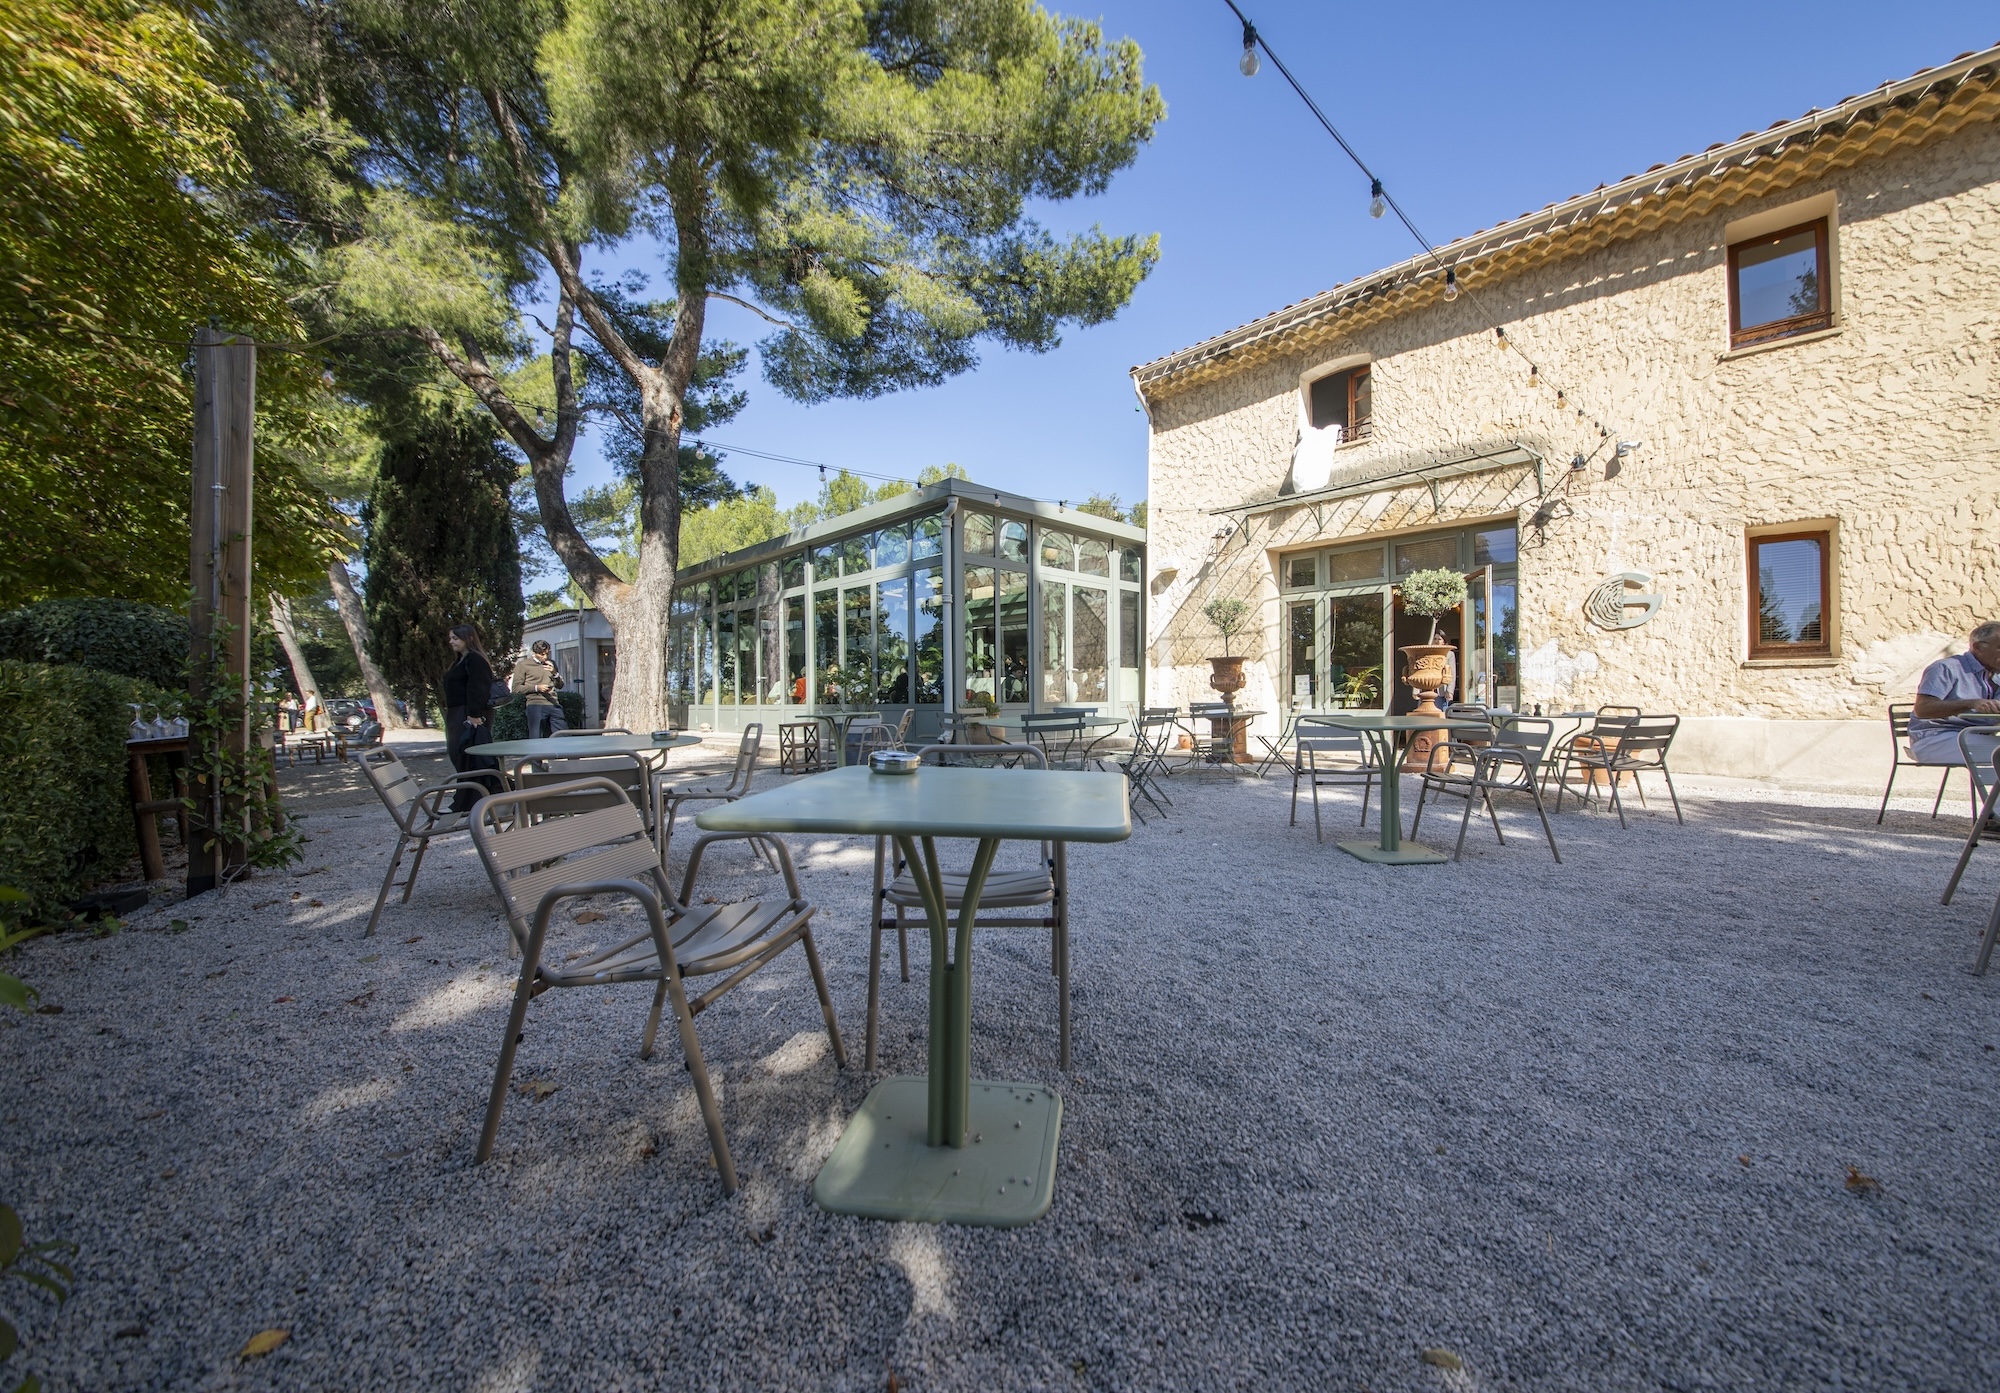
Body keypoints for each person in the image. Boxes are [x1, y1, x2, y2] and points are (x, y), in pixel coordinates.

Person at [1908, 621, 2000, 767]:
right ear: (1978, 647)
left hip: (1976, 736)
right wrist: (1971, 703)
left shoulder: (1997, 675)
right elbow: (1922, 709)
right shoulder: (1946, 668)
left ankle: (1992, 791)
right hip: (1936, 739)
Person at [443, 623, 502, 812]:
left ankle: (468, 801)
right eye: (451, 638)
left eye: (455, 638)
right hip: (458, 713)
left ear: (468, 638)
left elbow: (478, 687)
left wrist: (474, 715)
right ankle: (469, 799)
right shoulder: (462, 660)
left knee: (467, 756)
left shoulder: (474, 659)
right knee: (461, 756)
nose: (451, 641)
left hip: (467, 714)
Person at [512, 639, 568, 739]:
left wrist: (555, 674)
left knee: (562, 735)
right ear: (534, 653)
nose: (545, 657)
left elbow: (560, 686)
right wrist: (537, 688)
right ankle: (537, 755)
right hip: (535, 704)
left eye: (547, 654)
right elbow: (516, 688)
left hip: (553, 703)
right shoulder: (523, 665)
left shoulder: (551, 663)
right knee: (536, 737)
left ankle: (562, 754)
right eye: (542, 654)